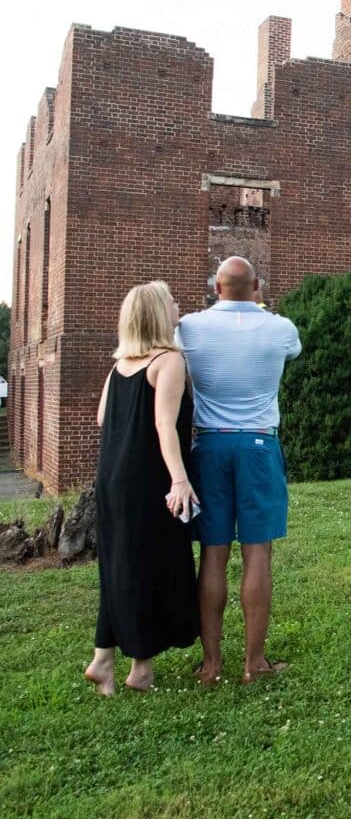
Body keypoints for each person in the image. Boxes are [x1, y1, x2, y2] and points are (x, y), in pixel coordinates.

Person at [176, 257, 301, 686]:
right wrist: (259, 304)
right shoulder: (279, 327)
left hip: (208, 444)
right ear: (257, 286)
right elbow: (293, 349)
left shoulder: (189, 327)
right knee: (257, 551)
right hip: (259, 444)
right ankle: (254, 662)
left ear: (215, 287)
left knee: (212, 553)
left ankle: (211, 665)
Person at [85, 281, 200, 696]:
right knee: (146, 565)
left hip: (111, 478)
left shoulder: (121, 365)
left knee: (120, 565)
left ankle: (107, 660)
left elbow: (103, 419)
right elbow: (164, 425)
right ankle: (138, 667)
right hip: (147, 478)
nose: (177, 306)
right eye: (171, 302)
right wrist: (180, 479)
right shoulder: (168, 361)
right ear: (156, 313)